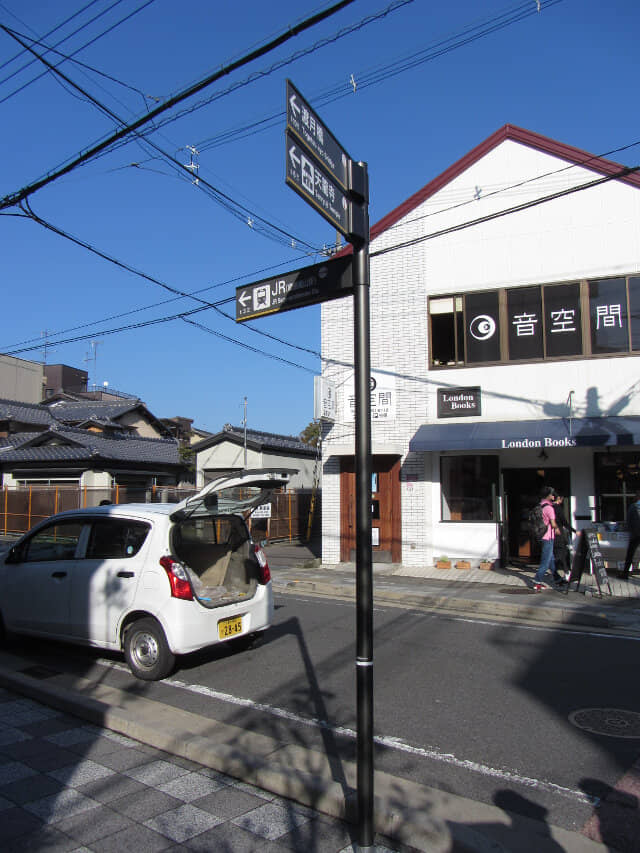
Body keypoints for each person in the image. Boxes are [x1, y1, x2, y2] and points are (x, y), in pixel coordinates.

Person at [532, 486, 560, 591]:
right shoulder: (549, 508)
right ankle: (537, 581)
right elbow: (553, 524)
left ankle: (557, 578)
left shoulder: (540, 505)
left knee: (551, 559)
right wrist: (557, 529)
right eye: (552, 494)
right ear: (548, 496)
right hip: (548, 537)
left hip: (541, 535)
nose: (554, 496)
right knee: (546, 561)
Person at [553, 493, 575, 580]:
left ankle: (556, 573)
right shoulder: (558, 508)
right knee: (561, 553)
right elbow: (564, 522)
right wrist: (574, 531)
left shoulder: (549, 507)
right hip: (558, 533)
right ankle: (566, 572)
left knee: (553, 554)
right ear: (560, 499)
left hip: (550, 534)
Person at [620, 491, 640, 580]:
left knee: (630, 554)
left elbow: (628, 521)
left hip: (635, 534)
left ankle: (625, 573)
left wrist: (631, 530)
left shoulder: (633, 506)